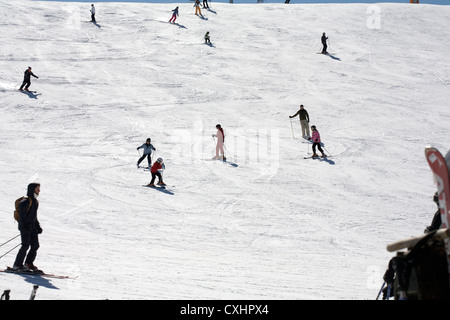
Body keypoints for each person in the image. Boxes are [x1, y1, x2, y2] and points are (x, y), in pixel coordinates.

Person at [13, 183, 43, 272]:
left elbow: (34, 216)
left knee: (35, 245)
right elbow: (22, 216)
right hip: (25, 227)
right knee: (25, 245)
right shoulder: (26, 201)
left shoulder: (35, 201)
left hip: (32, 228)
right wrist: (25, 226)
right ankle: (17, 265)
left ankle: (28, 263)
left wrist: (37, 226)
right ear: (32, 189)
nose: (39, 191)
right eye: (38, 189)